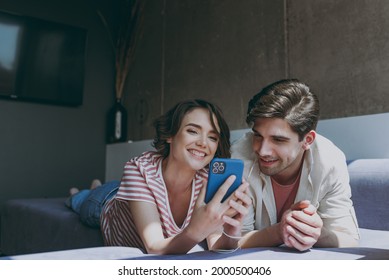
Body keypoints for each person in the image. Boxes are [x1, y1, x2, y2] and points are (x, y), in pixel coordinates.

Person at [67, 99, 250, 254]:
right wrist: (195, 231)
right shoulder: (138, 169)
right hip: (104, 203)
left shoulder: (207, 181)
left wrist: (232, 230)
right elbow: (154, 248)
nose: (203, 143)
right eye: (193, 131)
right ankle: (86, 190)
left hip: (135, 193)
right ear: (170, 135)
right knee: (82, 200)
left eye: (212, 137)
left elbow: (217, 244)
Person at [231, 79, 360, 251]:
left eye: (278, 140)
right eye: (258, 136)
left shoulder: (331, 162)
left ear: (307, 140)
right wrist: (279, 232)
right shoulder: (239, 158)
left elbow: (348, 237)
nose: (262, 151)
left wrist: (315, 233)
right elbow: (232, 239)